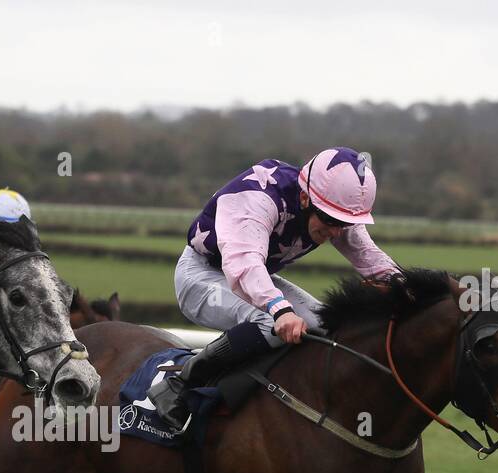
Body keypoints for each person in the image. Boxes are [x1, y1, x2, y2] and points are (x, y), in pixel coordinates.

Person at [150, 147, 401, 433]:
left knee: (325, 323)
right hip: (202, 276)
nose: (336, 232)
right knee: (272, 321)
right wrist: (280, 309)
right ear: (305, 198)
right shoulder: (259, 198)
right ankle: (179, 384)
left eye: (345, 224)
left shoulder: (329, 206)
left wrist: (407, 288)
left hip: (254, 278)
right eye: (331, 222)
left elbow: (370, 258)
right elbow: (244, 264)